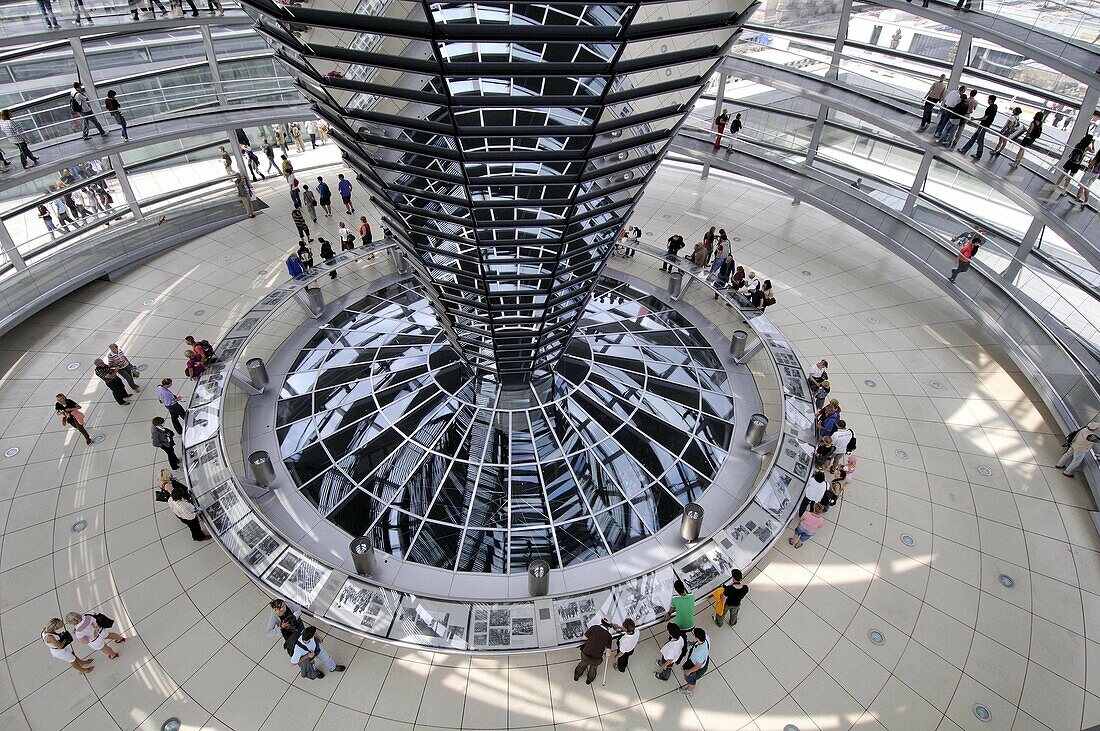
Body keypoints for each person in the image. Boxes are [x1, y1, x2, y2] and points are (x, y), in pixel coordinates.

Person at [573, 618, 613, 684]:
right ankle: (589, 680)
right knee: (593, 669)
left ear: (602, 621)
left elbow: (584, 638)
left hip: (586, 654)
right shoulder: (609, 636)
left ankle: (577, 676)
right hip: (596, 659)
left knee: (582, 665)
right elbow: (608, 653)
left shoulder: (594, 628)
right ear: (609, 625)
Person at [958, 95, 998, 160]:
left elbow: (985, 118)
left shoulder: (990, 108)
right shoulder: (995, 107)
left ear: (990, 100)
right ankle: (964, 149)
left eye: (988, 99)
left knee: (980, 140)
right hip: (986, 125)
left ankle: (978, 154)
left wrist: (975, 119)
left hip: (983, 126)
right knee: (974, 137)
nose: (987, 100)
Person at [679, 627, 710, 696]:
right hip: (694, 660)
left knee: (691, 680)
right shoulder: (706, 637)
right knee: (687, 671)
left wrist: (688, 671)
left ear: (697, 638)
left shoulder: (700, 653)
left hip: (696, 666)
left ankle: (689, 691)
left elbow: (697, 666)